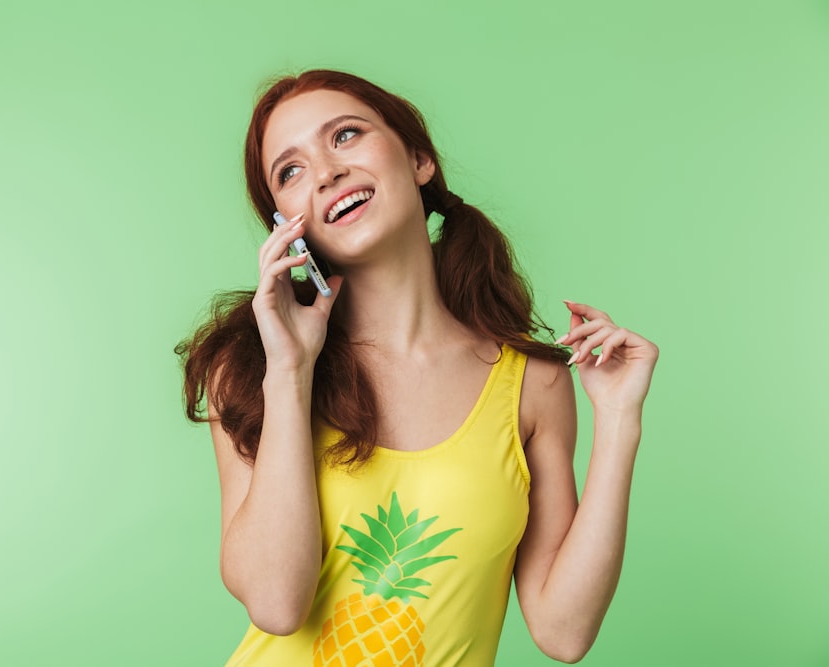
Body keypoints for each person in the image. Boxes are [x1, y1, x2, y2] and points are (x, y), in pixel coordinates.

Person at [177, 69, 659, 666]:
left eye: (346, 135)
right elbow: (277, 604)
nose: (326, 173)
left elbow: (564, 632)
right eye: (290, 171)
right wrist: (290, 371)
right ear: (285, 225)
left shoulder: (532, 385)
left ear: (419, 159)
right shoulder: (251, 371)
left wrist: (617, 421)